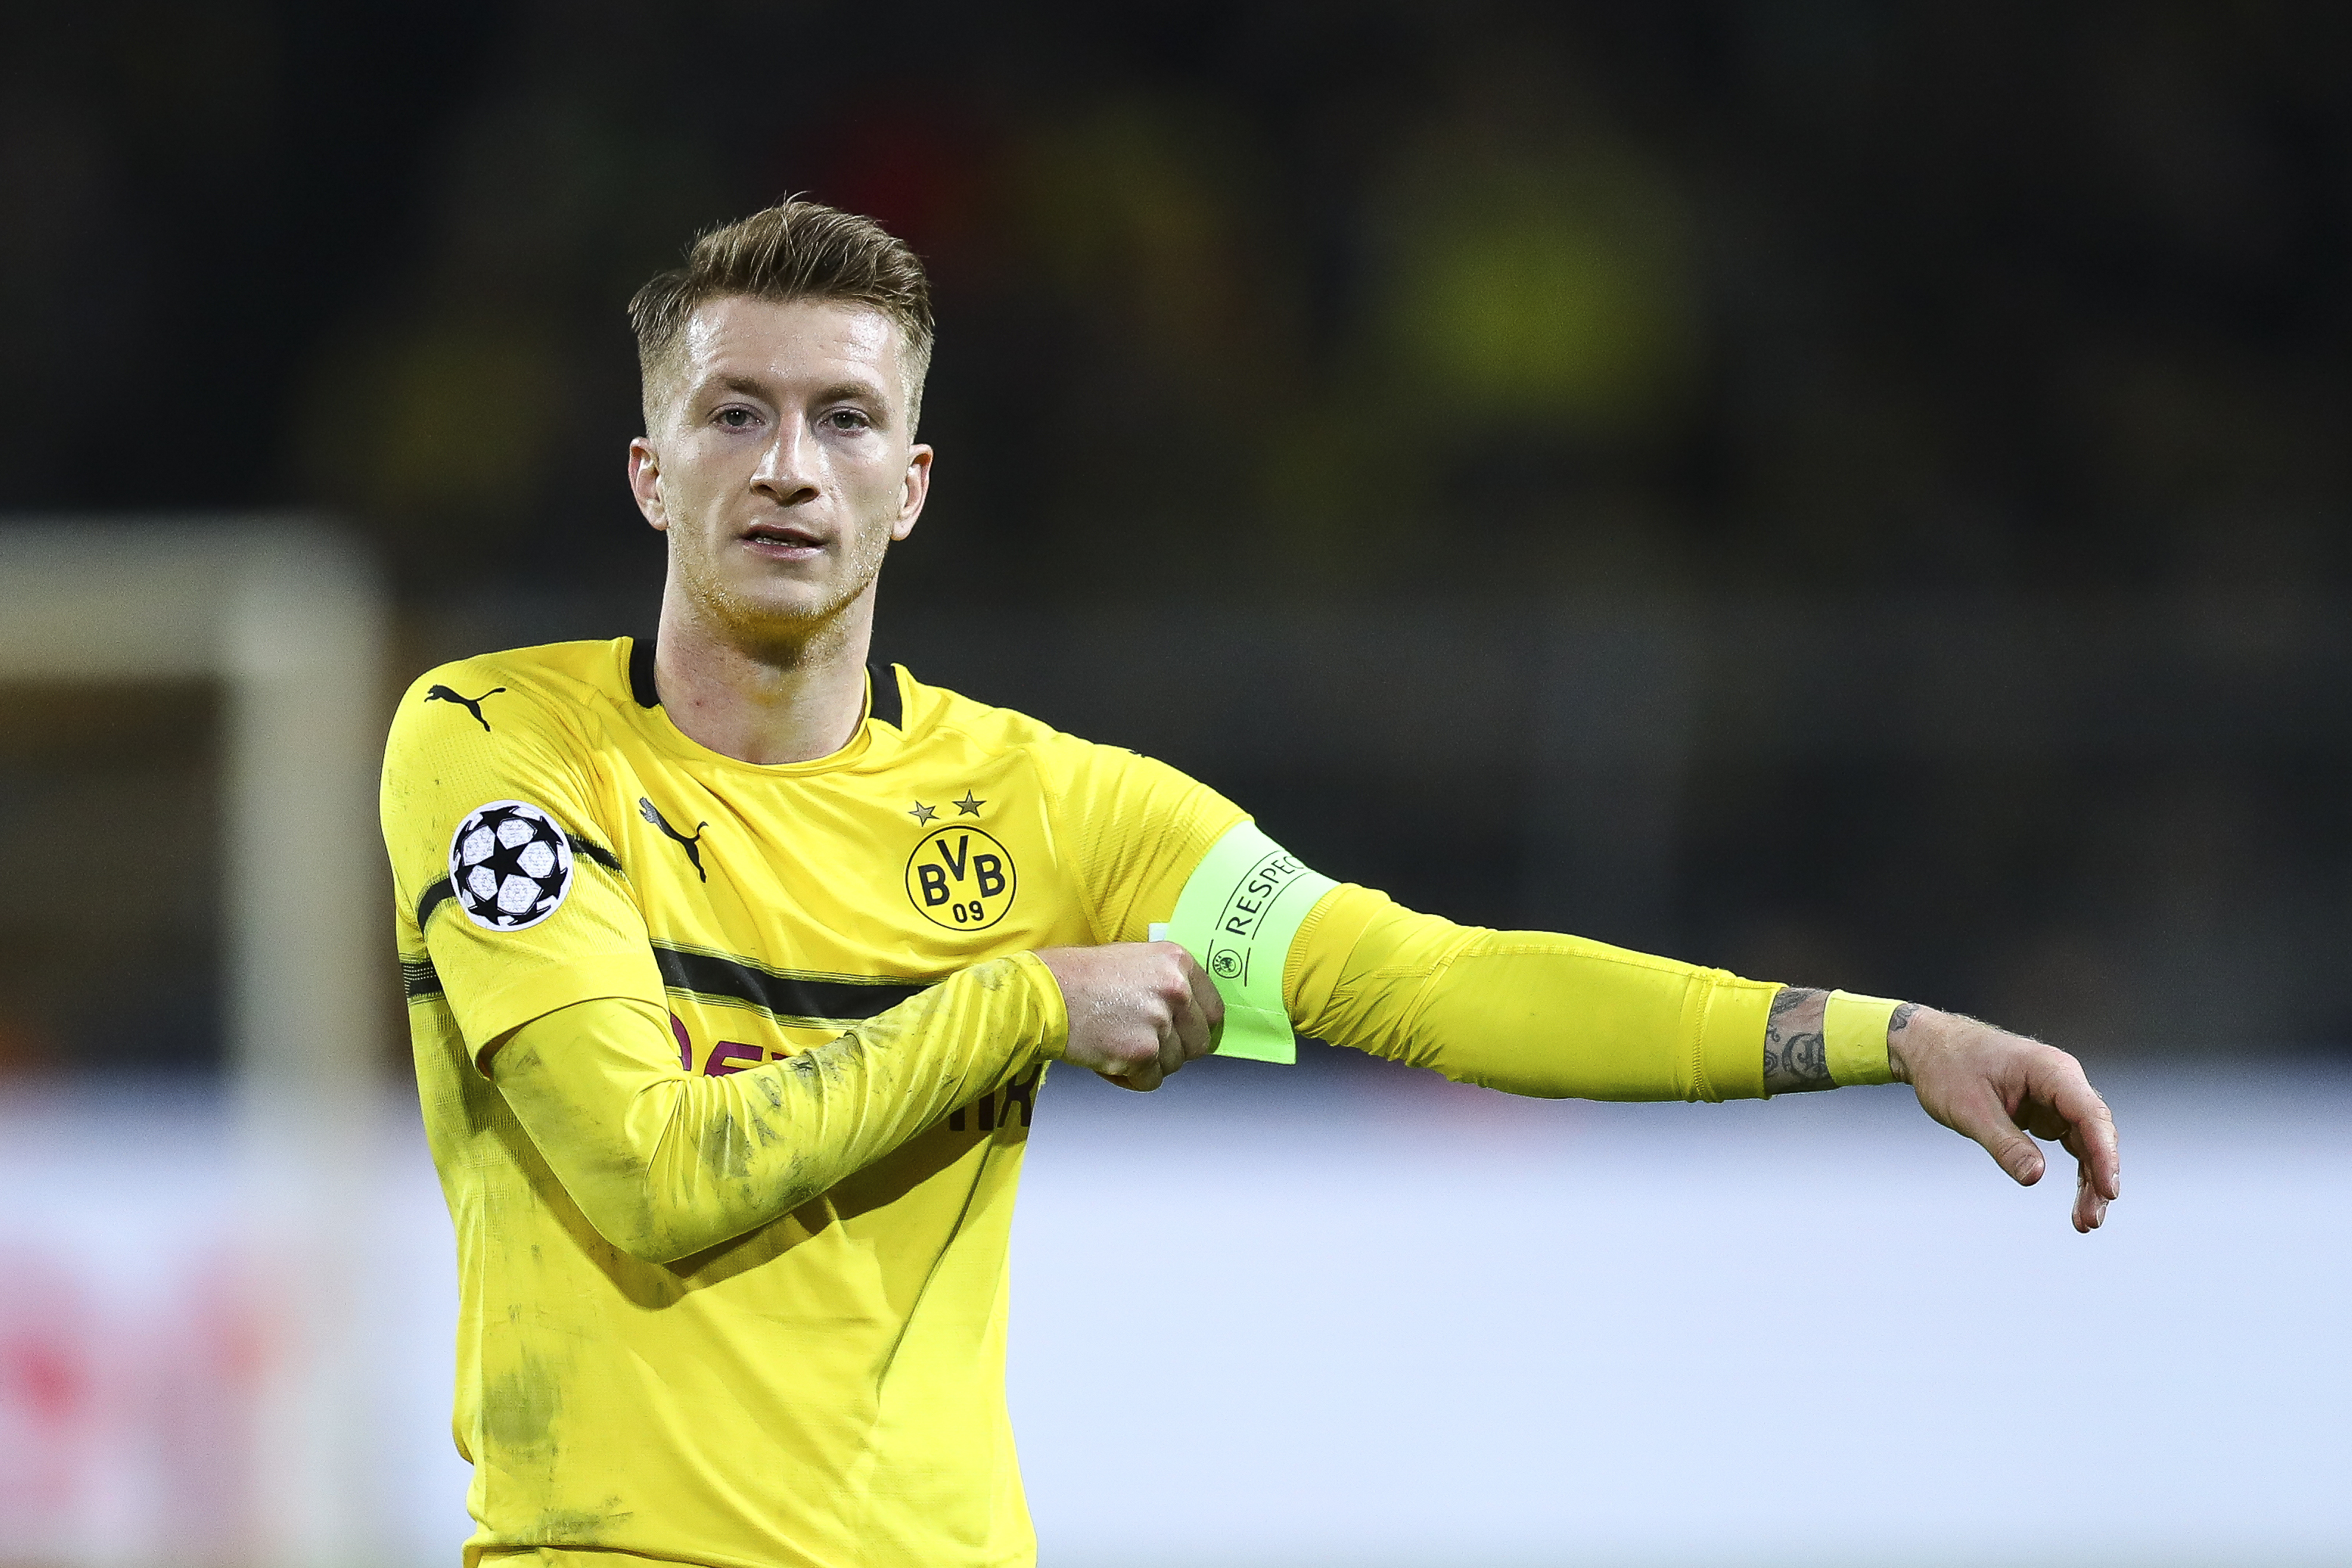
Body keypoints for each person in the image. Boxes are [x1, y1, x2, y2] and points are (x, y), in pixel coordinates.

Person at [379, 199, 2120, 1568]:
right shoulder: (502, 748)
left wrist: (1873, 1031)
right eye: (732, 414)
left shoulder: (1053, 806)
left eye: (843, 419)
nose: (785, 465)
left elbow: (1429, 980)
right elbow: (657, 1171)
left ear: (907, 488)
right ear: (647, 467)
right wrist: (1023, 1000)